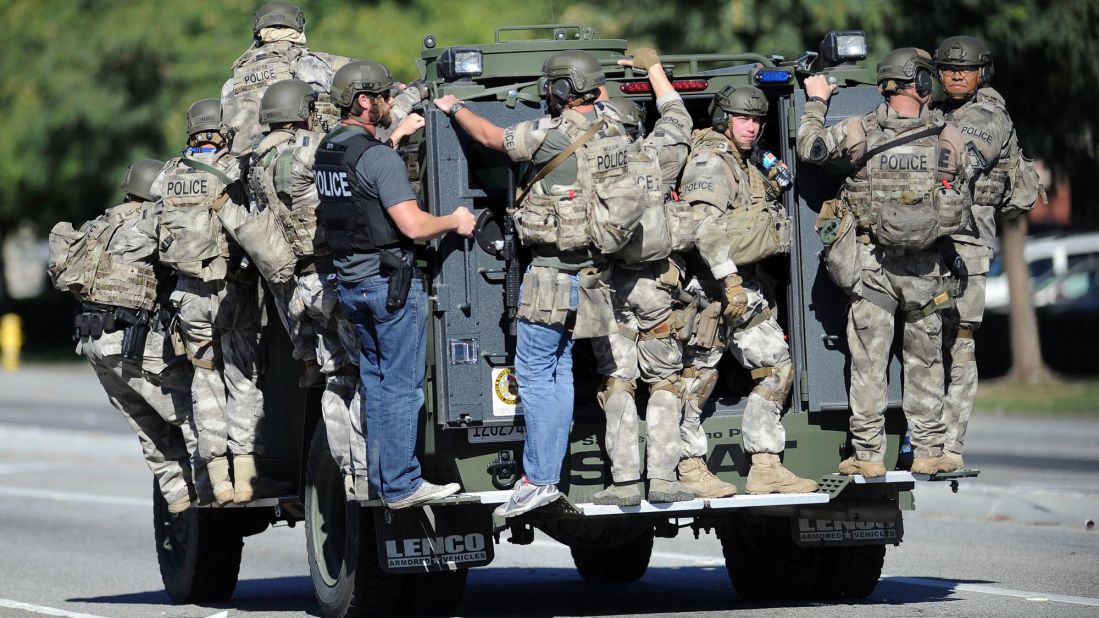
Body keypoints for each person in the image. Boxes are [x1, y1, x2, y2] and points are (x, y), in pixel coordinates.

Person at [434, 50, 644, 516]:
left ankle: (541, 478)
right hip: (593, 275)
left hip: (552, 273)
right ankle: (548, 471)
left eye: (553, 87)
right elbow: (606, 97)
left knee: (534, 374)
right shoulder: (614, 124)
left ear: (565, 90)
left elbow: (491, 136)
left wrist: (453, 107)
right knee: (560, 369)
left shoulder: (551, 136)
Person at [798, 48, 970, 477]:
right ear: (924, 85)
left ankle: (868, 455)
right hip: (928, 273)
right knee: (926, 364)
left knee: (868, 367)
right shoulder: (949, 138)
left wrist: (817, 101)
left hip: (873, 269)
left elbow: (809, 149)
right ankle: (929, 450)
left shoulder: (858, 131)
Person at [316, 60, 474, 509]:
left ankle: (385, 483)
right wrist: (455, 221)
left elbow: (362, 182)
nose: (389, 102)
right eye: (384, 96)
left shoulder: (330, 149)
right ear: (366, 101)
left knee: (378, 384)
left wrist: (397, 136)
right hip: (389, 286)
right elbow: (414, 225)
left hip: (351, 285)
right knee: (402, 387)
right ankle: (402, 484)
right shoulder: (379, 158)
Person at [680, 84, 818, 494]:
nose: (753, 127)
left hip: (743, 289)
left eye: (758, 120)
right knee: (695, 380)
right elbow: (704, 228)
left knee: (778, 366)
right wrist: (730, 282)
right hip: (711, 290)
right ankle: (689, 468)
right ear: (723, 118)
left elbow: (753, 210)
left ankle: (765, 463)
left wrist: (771, 177)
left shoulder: (743, 162)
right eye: (743, 118)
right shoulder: (708, 162)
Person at [244, 78, 370, 496]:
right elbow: (358, 144)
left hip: (294, 287)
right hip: (325, 278)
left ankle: (350, 475)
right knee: (367, 370)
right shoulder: (305, 150)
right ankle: (368, 469)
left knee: (335, 378)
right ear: (303, 112)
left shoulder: (254, 161)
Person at [48, 159, 197, 512]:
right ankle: (209, 490)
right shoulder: (148, 223)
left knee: (145, 422)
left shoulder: (99, 224)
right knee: (194, 409)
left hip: (93, 341)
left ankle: (178, 494)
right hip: (129, 336)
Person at [588, 48, 699, 506]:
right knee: (665, 381)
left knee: (618, 383)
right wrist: (654, 68)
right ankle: (666, 479)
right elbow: (678, 116)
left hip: (607, 289)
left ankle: (626, 484)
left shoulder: (593, 159)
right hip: (656, 287)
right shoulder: (658, 155)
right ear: (639, 128)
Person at [932, 35, 1040, 469]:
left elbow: (963, 159)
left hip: (968, 243)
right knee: (923, 339)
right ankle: (923, 436)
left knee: (958, 341)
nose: (958, 74)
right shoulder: (938, 112)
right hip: (932, 239)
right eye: (949, 68)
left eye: (968, 68)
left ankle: (949, 444)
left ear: (983, 72)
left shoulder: (987, 113)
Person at [156, 98, 266, 504]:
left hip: (188, 295)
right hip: (230, 290)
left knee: (205, 379)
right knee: (241, 378)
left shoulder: (168, 174)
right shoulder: (232, 167)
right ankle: (245, 476)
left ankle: (217, 478)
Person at [221, 1, 351, 155]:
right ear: (298, 27)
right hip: (304, 165)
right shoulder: (310, 64)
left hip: (249, 170)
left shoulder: (234, 80)